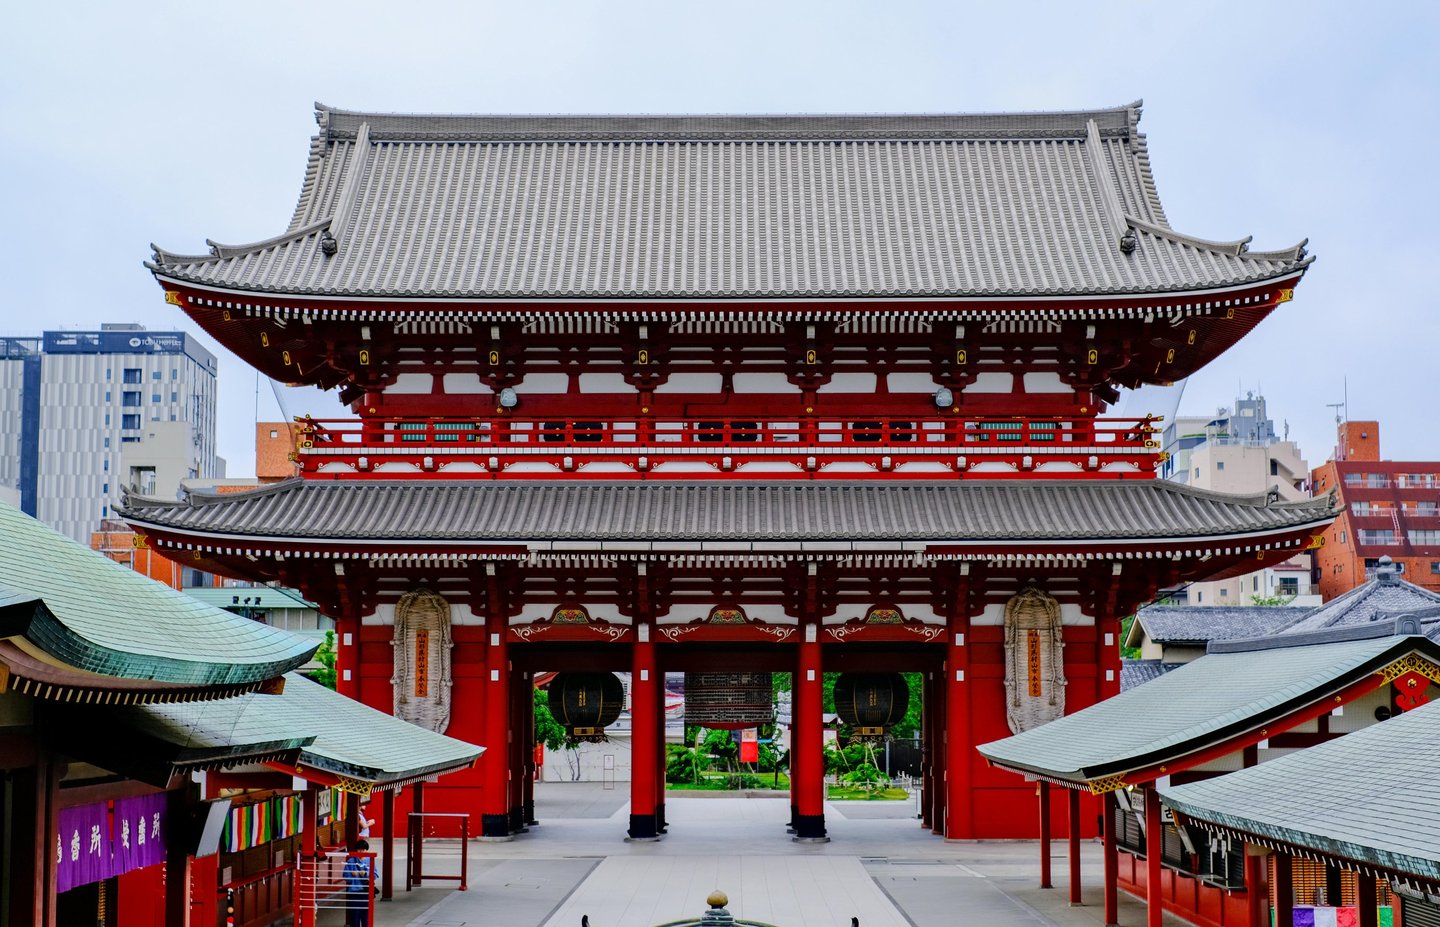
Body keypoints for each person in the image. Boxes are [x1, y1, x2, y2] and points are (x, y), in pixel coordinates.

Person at [342, 840, 374, 927]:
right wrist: (351, 874)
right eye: (359, 850)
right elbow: (345, 876)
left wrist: (366, 874)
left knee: (366, 917)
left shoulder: (370, 860)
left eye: (363, 850)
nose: (361, 852)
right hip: (353, 892)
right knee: (354, 917)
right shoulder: (351, 861)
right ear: (356, 850)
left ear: (366, 850)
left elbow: (375, 875)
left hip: (366, 892)